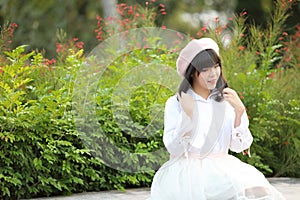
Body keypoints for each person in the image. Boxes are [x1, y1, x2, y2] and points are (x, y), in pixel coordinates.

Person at [149, 38, 285, 200]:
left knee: (262, 192)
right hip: (187, 173)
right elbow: (174, 148)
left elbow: (238, 146)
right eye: (205, 69)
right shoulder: (176, 103)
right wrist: (187, 118)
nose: (213, 74)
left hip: (222, 167)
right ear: (193, 72)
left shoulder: (226, 100)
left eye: (216, 66)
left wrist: (240, 112)